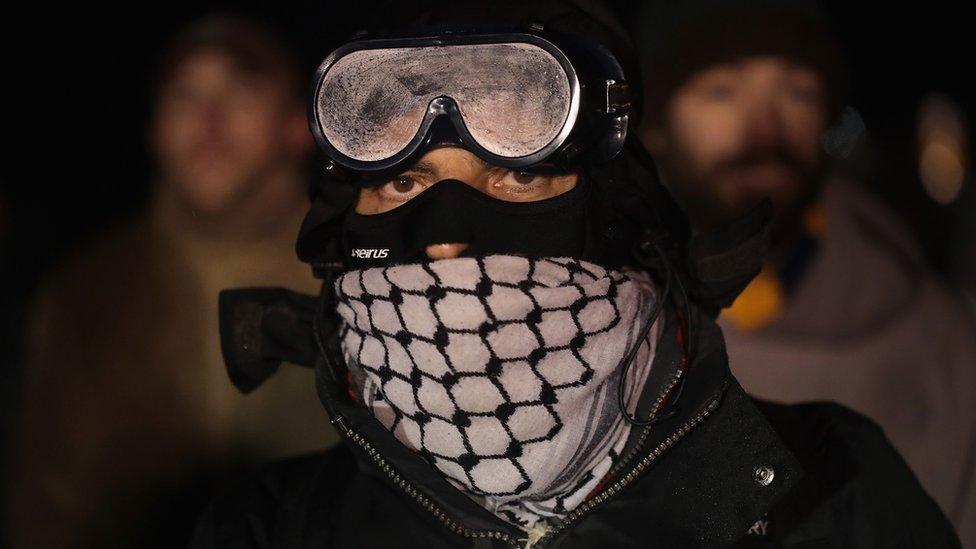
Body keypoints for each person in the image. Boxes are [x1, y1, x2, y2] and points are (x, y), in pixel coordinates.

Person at [191, 1, 960, 547]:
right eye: (403, 184)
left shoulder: (820, 491)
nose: (452, 250)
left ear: (618, 218)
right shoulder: (268, 526)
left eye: (519, 180)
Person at [632, 0, 976, 545]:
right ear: (655, 127)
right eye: (722, 90)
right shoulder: (595, 333)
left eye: (796, 92)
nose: (766, 128)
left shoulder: (939, 337)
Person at [5, 15, 337, 549]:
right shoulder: (83, 292)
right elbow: (44, 507)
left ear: (298, 125)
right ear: (154, 130)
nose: (209, 119)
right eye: (184, 94)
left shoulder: (360, 284)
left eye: (240, 88)